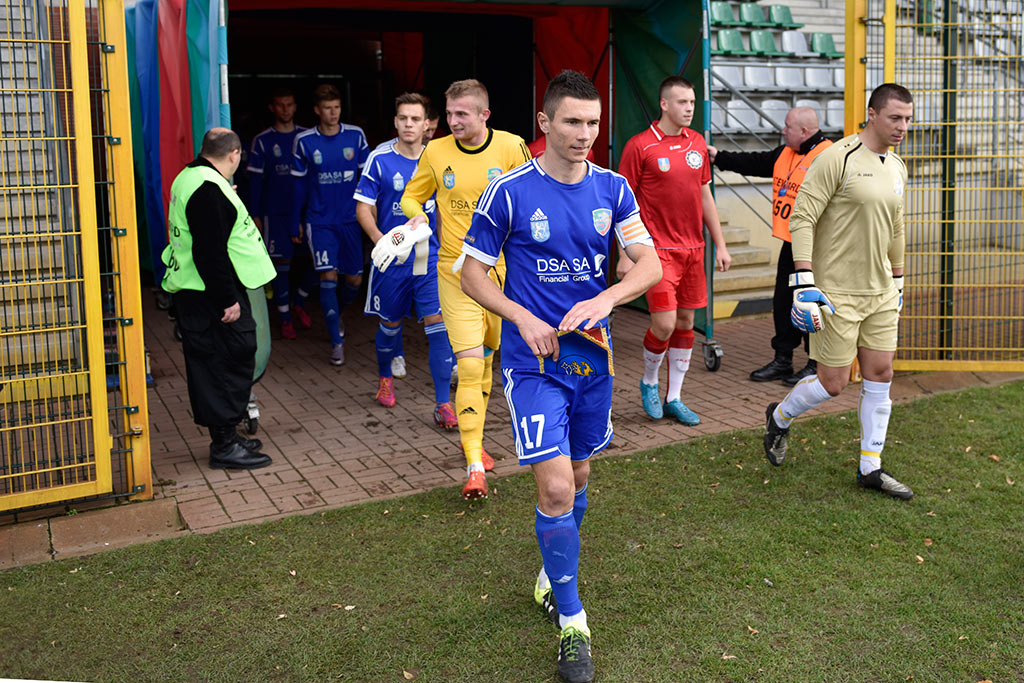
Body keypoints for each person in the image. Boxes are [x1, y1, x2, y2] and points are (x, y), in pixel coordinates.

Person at [461, 70, 661, 683]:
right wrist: (520, 316)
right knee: (553, 490)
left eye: (593, 123)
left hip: (591, 360)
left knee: (577, 476)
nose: (585, 134)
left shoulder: (614, 189)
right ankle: (573, 622)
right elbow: (471, 274)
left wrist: (609, 298)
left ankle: (553, 571)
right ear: (544, 123)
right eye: (572, 122)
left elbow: (648, 264)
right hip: (533, 363)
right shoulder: (509, 191)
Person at [763, 83, 913, 500]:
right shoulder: (837, 158)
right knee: (832, 382)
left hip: (881, 291)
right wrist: (805, 280)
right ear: (872, 113)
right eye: (895, 118)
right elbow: (803, 219)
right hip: (836, 293)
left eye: (907, 119)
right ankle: (779, 416)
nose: (902, 126)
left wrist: (898, 281)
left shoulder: (897, 167)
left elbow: (897, 227)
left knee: (881, 374)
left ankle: (871, 467)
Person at [400, 78, 531, 500]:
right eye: (449, 114)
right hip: (454, 274)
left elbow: (532, 200)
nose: (452, 122)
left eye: (462, 114)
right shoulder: (435, 152)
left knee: (490, 359)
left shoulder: (512, 148)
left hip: (505, 276)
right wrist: (417, 216)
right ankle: (474, 463)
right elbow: (410, 196)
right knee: (471, 366)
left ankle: (476, 439)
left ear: (483, 115)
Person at [618, 76, 732, 426]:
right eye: (682, 103)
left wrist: (721, 243)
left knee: (685, 322)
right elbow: (622, 203)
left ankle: (675, 397)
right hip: (657, 252)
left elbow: (704, 196)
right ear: (664, 104)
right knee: (664, 324)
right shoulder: (640, 146)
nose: (689, 109)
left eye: (693, 103)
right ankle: (649, 382)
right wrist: (624, 253)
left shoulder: (698, 143)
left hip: (694, 250)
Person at [161, 128, 276, 470]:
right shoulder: (209, 192)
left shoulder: (192, 178)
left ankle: (226, 436)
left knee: (218, 363)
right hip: (210, 295)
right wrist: (228, 299)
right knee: (228, 363)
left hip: (196, 292)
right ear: (235, 154)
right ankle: (225, 446)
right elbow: (209, 252)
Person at [708, 106, 832, 385]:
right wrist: (719, 158)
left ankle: (815, 363)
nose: (782, 130)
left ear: (804, 131)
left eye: (787, 126)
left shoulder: (828, 156)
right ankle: (783, 360)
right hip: (792, 242)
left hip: (818, 245)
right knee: (783, 301)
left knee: (810, 302)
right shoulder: (785, 153)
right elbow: (755, 161)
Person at [355, 93, 457, 429]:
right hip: (392, 264)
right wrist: (381, 241)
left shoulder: (440, 156)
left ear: (428, 123)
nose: (409, 125)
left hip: (430, 263)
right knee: (390, 326)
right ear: (395, 121)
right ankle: (385, 376)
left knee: (439, 330)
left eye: (415, 119)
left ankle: (443, 403)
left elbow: (446, 208)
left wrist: (449, 249)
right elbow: (364, 208)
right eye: (403, 118)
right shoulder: (380, 159)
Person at [291, 84, 370, 366]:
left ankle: (336, 312)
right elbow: (298, 187)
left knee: (354, 280)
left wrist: (372, 216)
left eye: (336, 107)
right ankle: (336, 342)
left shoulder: (355, 136)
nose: (333, 113)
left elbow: (368, 182)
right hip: (319, 221)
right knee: (328, 276)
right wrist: (295, 222)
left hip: (350, 219)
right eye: (327, 108)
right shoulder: (304, 141)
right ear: (317, 110)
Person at [246, 88, 313, 340]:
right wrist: (255, 214)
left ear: (296, 107)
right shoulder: (263, 140)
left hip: (306, 213)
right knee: (281, 266)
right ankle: (285, 319)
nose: (285, 109)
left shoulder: (306, 137)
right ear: (272, 108)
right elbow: (255, 182)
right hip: (274, 214)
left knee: (320, 262)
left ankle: (299, 301)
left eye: (289, 104)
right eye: (280, 105)